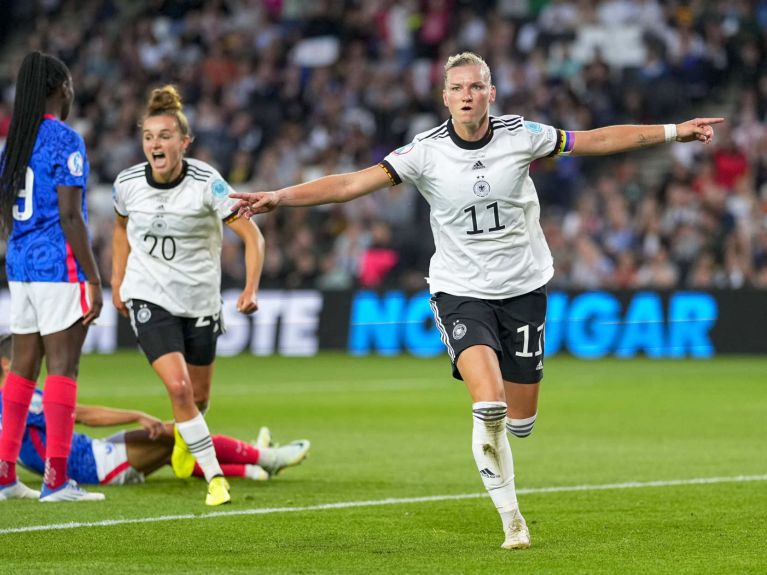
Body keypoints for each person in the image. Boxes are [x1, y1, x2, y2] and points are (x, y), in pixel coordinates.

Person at [230, 52, 724, 549]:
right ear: (444, 97)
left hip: (524, 288)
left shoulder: (523, 134)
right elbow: (352, 183)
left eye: (476, 86)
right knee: (488, 404)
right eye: (457, 88)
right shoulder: (423, 152)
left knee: (521, 422)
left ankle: (510, 439)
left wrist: (674, 131)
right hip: (460, 292)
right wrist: (281, 196)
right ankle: (512, 520)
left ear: (491, 92)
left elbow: (595, 140)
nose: (467, 95)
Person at [111, 85, 275, 506]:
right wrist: (116, 282)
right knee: (180, 389)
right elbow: (119, 228)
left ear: (184, 142)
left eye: (164, 136)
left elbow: (252, 235)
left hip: (200, 301)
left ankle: (187, 452)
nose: (155, 144)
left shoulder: (208, 184)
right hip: (148, 296)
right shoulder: (127, 184)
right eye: (148, 136)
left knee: (199, 399)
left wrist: (251, 287)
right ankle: (216, 478)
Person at [0, 333, 310, 488]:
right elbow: (80, 414)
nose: (33, 362)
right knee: (176, 432)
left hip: (94, 451)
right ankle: (266, 458)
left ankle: (248, 468)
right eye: (25, 357)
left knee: (173, 445)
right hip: (92, 466)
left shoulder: (8, 403)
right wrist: (135, 414)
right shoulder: (22, 398)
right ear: (5, 363)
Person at [0, 51, 105, 502]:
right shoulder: (65, 140)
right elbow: (70, 215)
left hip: (20, 265)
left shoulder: (12, 144)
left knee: (23, 369)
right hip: (57, 267)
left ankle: (5, 475)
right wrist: (95, 278)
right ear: (60, 88)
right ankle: (57, 480)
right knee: (64, 367)